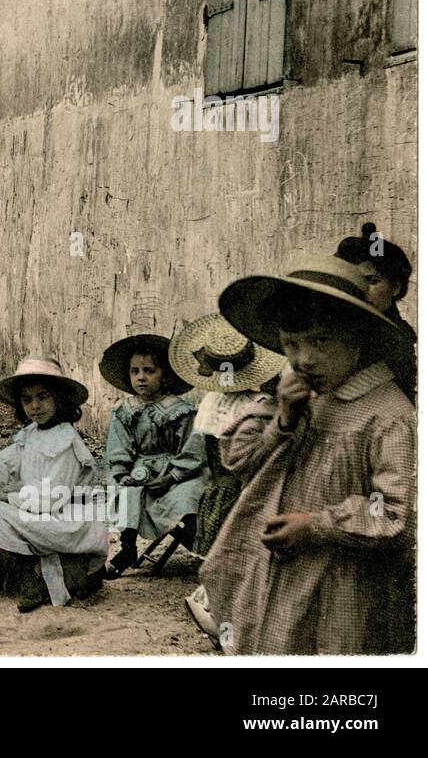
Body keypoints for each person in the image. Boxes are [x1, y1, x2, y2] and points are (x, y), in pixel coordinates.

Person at [202, 253, 416, 654]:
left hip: (345, 584)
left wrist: (318, 524)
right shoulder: (307, 397)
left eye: (320, 340)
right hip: (287, 576)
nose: (303, 359)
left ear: (358, 338)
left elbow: (401, 517)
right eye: (291, 344)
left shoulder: (388, 416)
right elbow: (239, 461)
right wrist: (282, 421)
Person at [0, 355, 107, 611]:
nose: (35, 406)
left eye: (43, 397)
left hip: (64, 521)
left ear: (59, 398)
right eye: (27, 400)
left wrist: (4, 497)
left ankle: (34, 575)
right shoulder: (30, 434)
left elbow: (52, 498)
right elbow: (4, 460)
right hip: (35, 510)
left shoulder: (66, 441)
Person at [166, 313, 285, 639]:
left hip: (218, 487)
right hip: (245, 488)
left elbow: (205, 452)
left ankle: (212, 604)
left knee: (222, 555)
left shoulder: (210, 402)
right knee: (241, 555)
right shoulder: (259, 405)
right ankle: (221, 613)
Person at [98, 333, 203, 577]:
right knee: (127, 492)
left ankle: (199, 547)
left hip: (177, 472)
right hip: (140, 469)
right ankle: (127, 548)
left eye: (149, 371)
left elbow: (193, 448)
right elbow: (118, 447)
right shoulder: (125, 411)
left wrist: (171, 476)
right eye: (135, 372)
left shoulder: (179, 410)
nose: (141, 378)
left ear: (164, 375)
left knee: (186, 499)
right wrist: (123, 472)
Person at [335, 222, 415, 339]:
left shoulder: (399, 338)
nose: (361, 288)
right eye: (353, 280)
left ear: (396, 287)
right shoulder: (338, 330)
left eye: (372, 281)